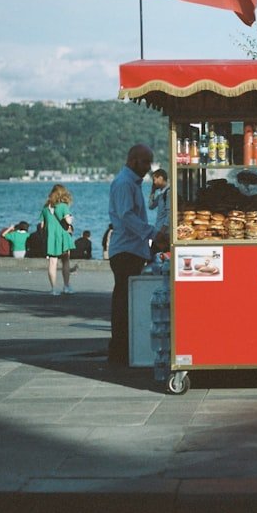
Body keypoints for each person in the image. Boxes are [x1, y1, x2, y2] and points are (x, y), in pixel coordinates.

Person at [107, 144, 157, 365]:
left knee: (125, 302)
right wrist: (152, 234)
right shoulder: (125, 184)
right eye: (146, 162)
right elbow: (127, 216)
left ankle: (124, 348)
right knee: (123, 303)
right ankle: (120, 349)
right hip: (125, 250)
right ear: (134, 160)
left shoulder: (131, 183)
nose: (149, 168)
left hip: (132, 249)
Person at [41, 184, 75, 295]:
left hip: (51, 238)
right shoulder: (63, 206)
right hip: (63, 236)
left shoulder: (45, 209)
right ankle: (66, 286)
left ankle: (53, 289)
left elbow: (42, 225)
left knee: (52, 262)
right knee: (65, 261)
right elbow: (68, 221)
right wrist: (71, 218)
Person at [148, 169, 171, 249]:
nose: (154, 182)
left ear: (160, 178)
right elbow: (151, 206)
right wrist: (152, 191)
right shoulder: (161, 195)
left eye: (154, 180)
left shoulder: (168, 193)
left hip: (164, 233)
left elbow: (169, 214)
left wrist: (162, 231)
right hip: (159, 231)